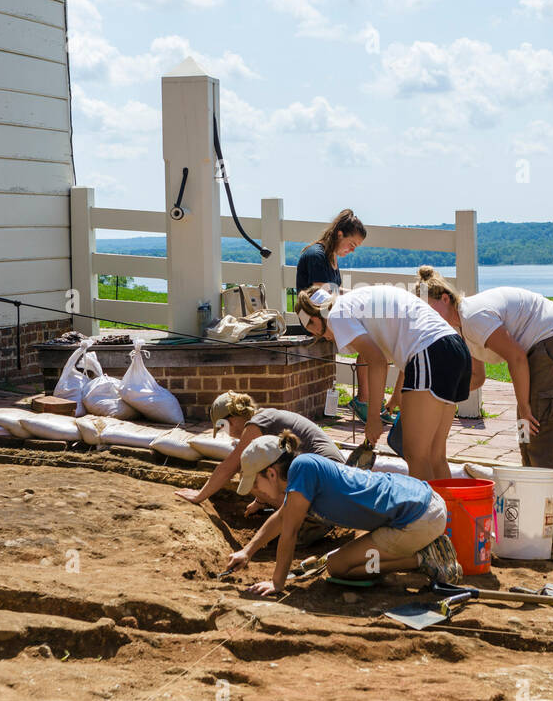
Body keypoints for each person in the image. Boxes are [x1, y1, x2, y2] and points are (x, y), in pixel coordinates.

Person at [414, 267, 553, 545]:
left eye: (429, 307)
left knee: (542, 440)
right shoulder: (460, 329)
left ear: (445, 298)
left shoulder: (474, 318)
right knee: (526, 440)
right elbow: (477, 377)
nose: (426, 315)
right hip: (541, 352)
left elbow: (516, 357)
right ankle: (538, 526)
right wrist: (439, 397)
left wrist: (524, 407)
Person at [223, 430, 462, 596]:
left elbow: (289, 532)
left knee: (339, 567)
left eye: (256, 484)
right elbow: (282, 517)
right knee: (336, 560)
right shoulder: (304, 467)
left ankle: (423, 558)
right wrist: (247, 551)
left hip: (417, 519)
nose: (256, 492)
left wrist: (277, 583)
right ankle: (422, 549)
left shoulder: (302, 470)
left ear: (272, 474)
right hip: (422, 503)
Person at [296, 284, 470, 481]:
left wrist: (373, 418)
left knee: (416, 455)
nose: (316, 336)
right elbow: (404, 338)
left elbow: (377, 362)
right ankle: (449, 511)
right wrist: (397, 395)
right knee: (435, 455)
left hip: (430, 351)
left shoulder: (336, 315)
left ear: (316, 315)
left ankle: (426, 511)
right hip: (454, 348)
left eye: (312, 328)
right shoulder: (356, 302)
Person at [173, 391, 344, 544]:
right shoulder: (265, 417)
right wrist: (261, 501)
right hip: (333, 479)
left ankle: (310, 521)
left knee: (247, 472)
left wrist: (199, 496)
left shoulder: (255, 425)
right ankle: (308, 516)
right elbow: (273, 462)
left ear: (231, 420)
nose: (229, 434)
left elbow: (230, 466)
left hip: (328, 487)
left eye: (223, 428)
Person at [292, 210, 395, 422]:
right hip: (314, 321)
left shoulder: (330, 257)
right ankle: (366, 401)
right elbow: (322, 301)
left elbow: (335, 297)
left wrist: (369, 297)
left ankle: (367, 399)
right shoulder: (316, 256)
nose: (352, 250)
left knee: (373, 335)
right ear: (339, 234)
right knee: (371, 340)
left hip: (327, 316)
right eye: (352, 244)